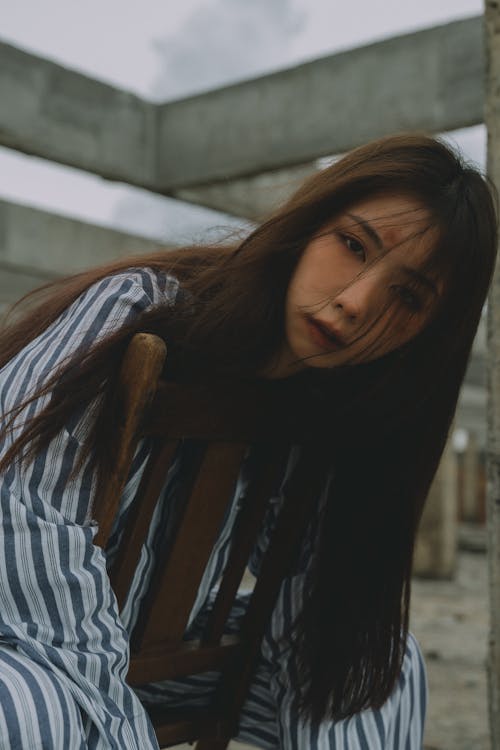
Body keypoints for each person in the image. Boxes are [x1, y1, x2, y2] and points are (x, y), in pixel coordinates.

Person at [0, 133, 496, 749]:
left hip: (146, 654)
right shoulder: (137, 308)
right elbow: (27, 518)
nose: (354, 302)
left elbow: (309, 605)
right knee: (36, 707)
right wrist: (124, 727)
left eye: (408, 296)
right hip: (20, 639)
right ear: (310, 223)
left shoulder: (332, 405)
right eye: (351, 245)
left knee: (374, 669)